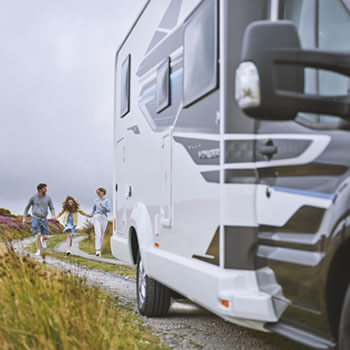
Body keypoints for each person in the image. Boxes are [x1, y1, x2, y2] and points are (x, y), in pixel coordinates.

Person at [23, 183, 56, 256]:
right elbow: (26, 208)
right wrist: (24, 218)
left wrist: (53, 215)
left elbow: (51, 208)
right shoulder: (33, 198)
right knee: (38, 234)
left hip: (44, 219)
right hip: (35, 218)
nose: (46, 189)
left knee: (46, 237)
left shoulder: (48, 198)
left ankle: (43, 240)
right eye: (44, 188)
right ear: (40, 190)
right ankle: (38, 251)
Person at [91, 187, 111, 257]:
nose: (98, 193)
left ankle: (99, 251)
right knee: (98, 234)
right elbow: (93, 209)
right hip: (97, 216)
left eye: (99, 192)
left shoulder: (107, 201)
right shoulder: (96, 201)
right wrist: (91, 213)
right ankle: (97, 251)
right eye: (97, 192)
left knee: (102, 235)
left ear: (103, 192)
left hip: (104, 217)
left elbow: (109, 210)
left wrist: (103, 206)